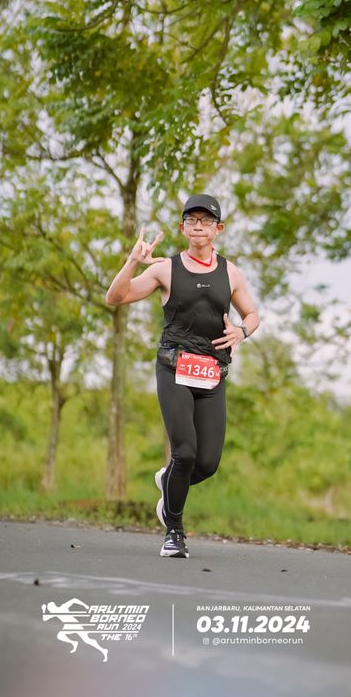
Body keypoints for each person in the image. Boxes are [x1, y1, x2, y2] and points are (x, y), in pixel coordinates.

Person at [105, 194, 259, 559]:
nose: (198, 226)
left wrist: (242, 331)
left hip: (213, 375)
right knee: (185, 453)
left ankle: (167, 480)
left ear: (218, 229)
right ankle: (173, 532)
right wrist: (133, 260)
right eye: (191, 220)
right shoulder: (166, 269)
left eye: (206, 221)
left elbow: (252, 315)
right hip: (174, 370)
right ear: (182, 227)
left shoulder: (231, 273)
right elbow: (116, 296)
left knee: (207, 463)